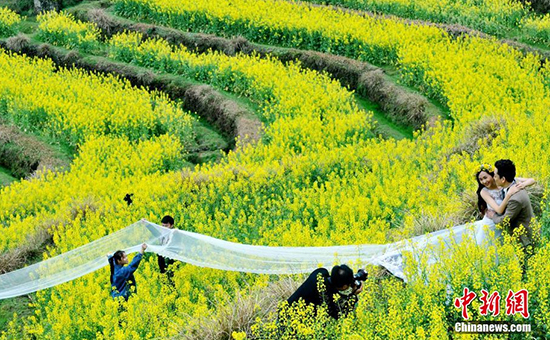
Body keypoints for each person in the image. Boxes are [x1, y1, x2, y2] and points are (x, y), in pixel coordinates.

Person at [488, 159, 535, 249]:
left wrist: (493, 215)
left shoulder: (515, 199)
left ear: (503, 179)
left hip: (525, 240)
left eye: (495, 176)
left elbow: (505, 221)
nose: (493, 178)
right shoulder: (513, 182)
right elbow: (531, 180)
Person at [287, 264, 363, 320]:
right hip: (291, 320)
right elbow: (340, 314)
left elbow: (331, 288)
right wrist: (353, 295)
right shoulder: (325, 296)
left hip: (286, 310)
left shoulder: (320, 273)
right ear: (344, 286)